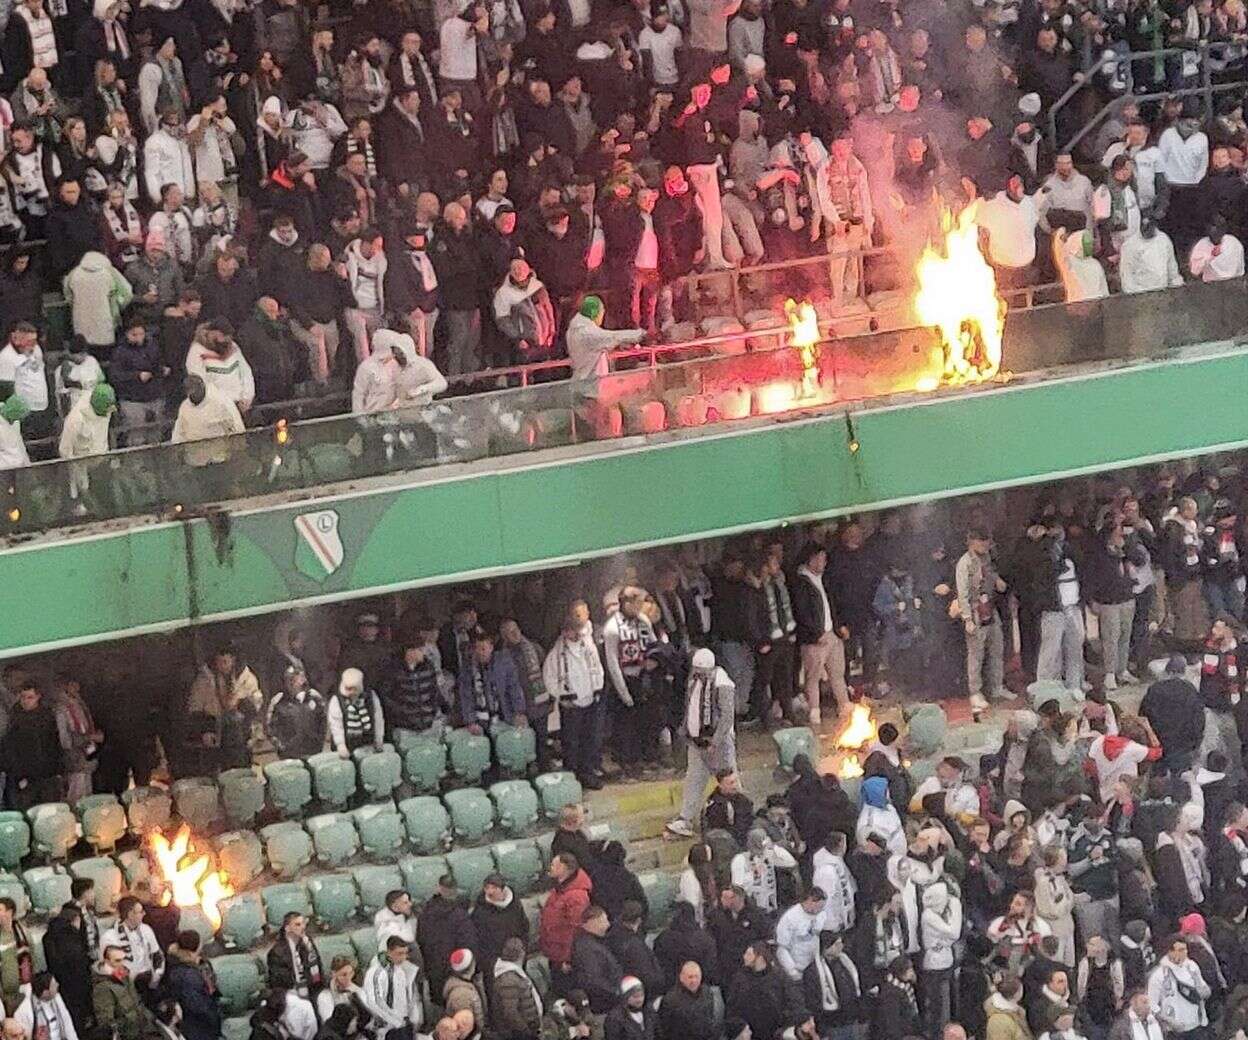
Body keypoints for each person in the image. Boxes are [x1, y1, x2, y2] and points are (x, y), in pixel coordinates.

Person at [666, 649, 736, 839]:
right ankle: (685, 818)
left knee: (729, 780)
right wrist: (685, 730)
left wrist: (716, 740)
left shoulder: (722, 683)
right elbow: (690, 706)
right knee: (694, 780)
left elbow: (727, 716)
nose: (696, 672)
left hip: (718, 743)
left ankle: (737, 815)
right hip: (697, 742)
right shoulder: (694, 679)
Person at [543, 608, 606, 789]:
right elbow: (549, 678)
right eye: (572, 630)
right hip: (571, 704)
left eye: (578, 630)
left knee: (590, 738)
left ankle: (587, 773)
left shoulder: (588, 646)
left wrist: (597, 689)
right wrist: (561, 695)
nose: (576, 634)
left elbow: (597, 668)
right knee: (571, 742)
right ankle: (572, 777)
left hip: (590, 701)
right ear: (564, 632)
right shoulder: (556, 653)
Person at [956, 528, 1009, 718]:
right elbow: (962, 593)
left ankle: (997, 686)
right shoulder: (965, 563)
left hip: (990, 608)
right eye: (982, 541)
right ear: (972, 541)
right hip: (975, 610)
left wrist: (997, 581)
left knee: (997, 649)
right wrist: (967, 618)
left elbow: (990, 574)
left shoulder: (986, 558)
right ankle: (975, 692)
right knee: (976, 655)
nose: (985, 545)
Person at [0, 682, 65, 809]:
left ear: (38, 697)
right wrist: (18, 774)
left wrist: (58, 770)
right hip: (23, 778)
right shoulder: (15, 719)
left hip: (47, 776)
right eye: (23, 697)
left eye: (30, 697)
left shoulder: (47, 717)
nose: (25, 701)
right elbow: (10, 750)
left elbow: (54, 745)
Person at [540, 854, 593, 997]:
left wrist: (569, 960)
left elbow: (577, 930)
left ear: (563, 868)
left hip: (565, 959)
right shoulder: (560, 888)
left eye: (553, 865)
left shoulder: (576, 896)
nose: (550, 868)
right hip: (556, 953)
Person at [1146, 936, 1210, 1039]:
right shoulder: (1158, 975)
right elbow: (1152, 1005)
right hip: (1174, 1030)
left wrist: (1198, 981)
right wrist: (1169, 1020)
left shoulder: (1192, 966)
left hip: (1196, 1024)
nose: (1184, 953)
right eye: (1180, 950)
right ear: (1169, 952)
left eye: (1185, 949)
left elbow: (1204, 992)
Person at [162, 933, 221, 1040]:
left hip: (191, 1024)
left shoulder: (175, 964)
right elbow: (197, 1005)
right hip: (197, 1027)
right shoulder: (188, 976)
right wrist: (213, 1016)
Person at [363, 937, 424, 1040]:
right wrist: (395, 1021)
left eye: (405, 953)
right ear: (389, 952)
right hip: (388, 1026)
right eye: (399, 953)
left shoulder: (403, 970)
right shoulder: (376, 973)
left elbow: (409, 996)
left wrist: (413, 1018)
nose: (403, 957)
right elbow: (375, 1002)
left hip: (404, 1023)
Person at [42, 904, 91, 1031]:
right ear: (75, 920)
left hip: (60, 985)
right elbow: (80, 964)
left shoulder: (48, 936)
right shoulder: (72, 938)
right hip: (77, 985)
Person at [266, 665, 327, 760]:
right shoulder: (278, 701)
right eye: (288, 679)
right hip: (289, 755)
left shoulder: (315, 698)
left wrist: (318, 742)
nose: (291, 682)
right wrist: (281, 747)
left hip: (313, 752)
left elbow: (323, 722)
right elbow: (270, 727)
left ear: (303, 679)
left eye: (295, 678)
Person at [93, 946, 153, 1040]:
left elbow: (137, 1002)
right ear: (107, 961)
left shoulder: (125, 977)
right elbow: (106, 1023)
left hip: (141, 1032)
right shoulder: (102, 987)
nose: (122, 964)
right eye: (117, 960)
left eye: (123, 959)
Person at [491, 937, 543, 1040]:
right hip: (519, 1035)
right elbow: (510, 1013)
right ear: (520, 953)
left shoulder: (514, 973)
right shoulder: (509, 979)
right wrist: (527, 1033)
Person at [266, 913, 325, 1000]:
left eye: (303, 923)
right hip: (291, 994)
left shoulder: (307, 942)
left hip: (311, 989)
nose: (303, 927)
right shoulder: (277, 953)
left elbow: (318, 965)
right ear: (287, 928)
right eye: (298, 924)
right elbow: (279, 983)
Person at [327, 668, 385, 757]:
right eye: (348, 689)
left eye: (354, 689)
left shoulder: (371, 697)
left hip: (367, 744)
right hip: (347, 746)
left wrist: (379, 739)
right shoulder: (336, 700)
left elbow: (378, 719)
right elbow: (336, 725)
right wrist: (340, 745)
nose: (351, 692)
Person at [14, 973, 77, 1040]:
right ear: (45, 992)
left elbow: (68, 1024)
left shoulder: (57, 997)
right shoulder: (23, 1011)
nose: (57, 985)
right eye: (54, 985)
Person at [1189, 214, 1245, 282]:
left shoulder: (1233, 242)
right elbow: (1195, 270)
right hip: (1210, 281)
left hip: (1232, 279)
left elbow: (1235, 266)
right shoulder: (1202, 244)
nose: (1216, 230)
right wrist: (1211, 256)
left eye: (1220, 227)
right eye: (1213, 226)